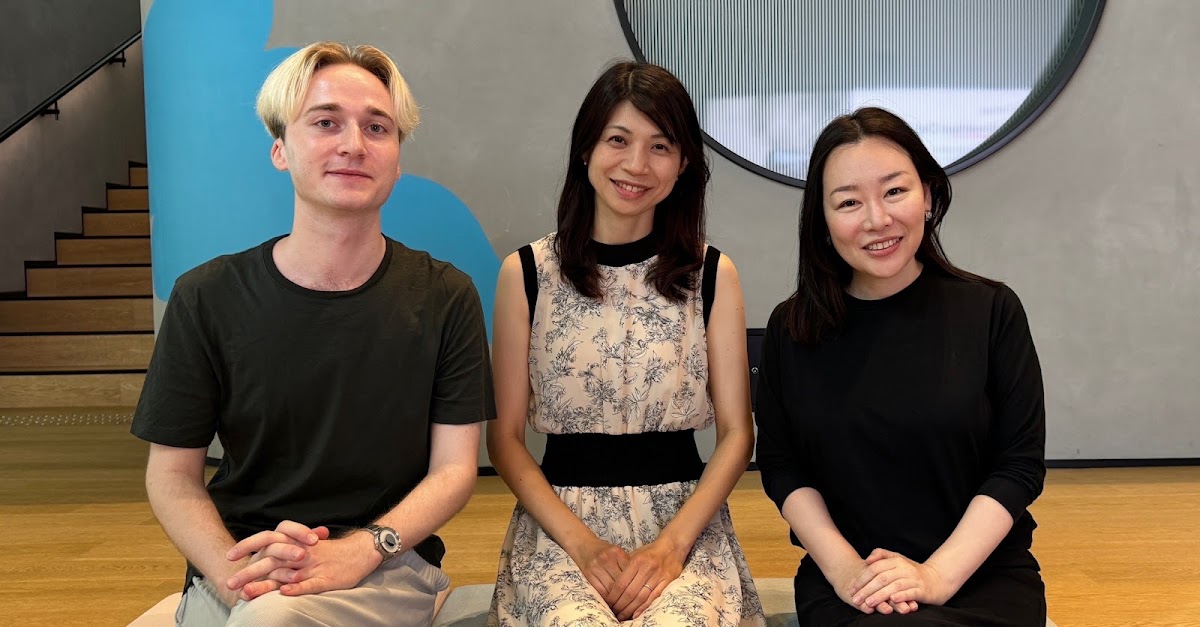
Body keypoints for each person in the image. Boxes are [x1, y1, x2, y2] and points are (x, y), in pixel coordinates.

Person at [131, 41, 495, 626]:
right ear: (280, 149)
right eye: (326, 122)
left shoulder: (444, 296)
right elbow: (172, 476)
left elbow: (453, 471)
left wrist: (361, 549)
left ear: (397, 159)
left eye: (378, 128)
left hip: (386, 564)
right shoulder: (207, 296)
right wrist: (239, 579)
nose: (354, 144)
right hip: (242, 559)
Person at [485, 61, 765, 626]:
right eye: (618, 139)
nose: (636, 165)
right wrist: (584, 547)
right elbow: (506, 440)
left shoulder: (713, 274)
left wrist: (670, 548)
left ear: (684, 163)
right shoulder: (527, 273)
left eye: (660, 146)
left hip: (683, 525)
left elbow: (738, 434)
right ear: (586, 148)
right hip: (562, 527)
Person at [754, 106, 1047, 626]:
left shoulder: (991, 310)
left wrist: (935, 576)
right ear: (821, 220)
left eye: (895, 191)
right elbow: (783, 467)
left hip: (979, 574)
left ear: (929, 196)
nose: (877, 219)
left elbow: (1018, 465)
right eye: (849, 202)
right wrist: (845, 571)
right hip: (854, 582)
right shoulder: (791, 328)